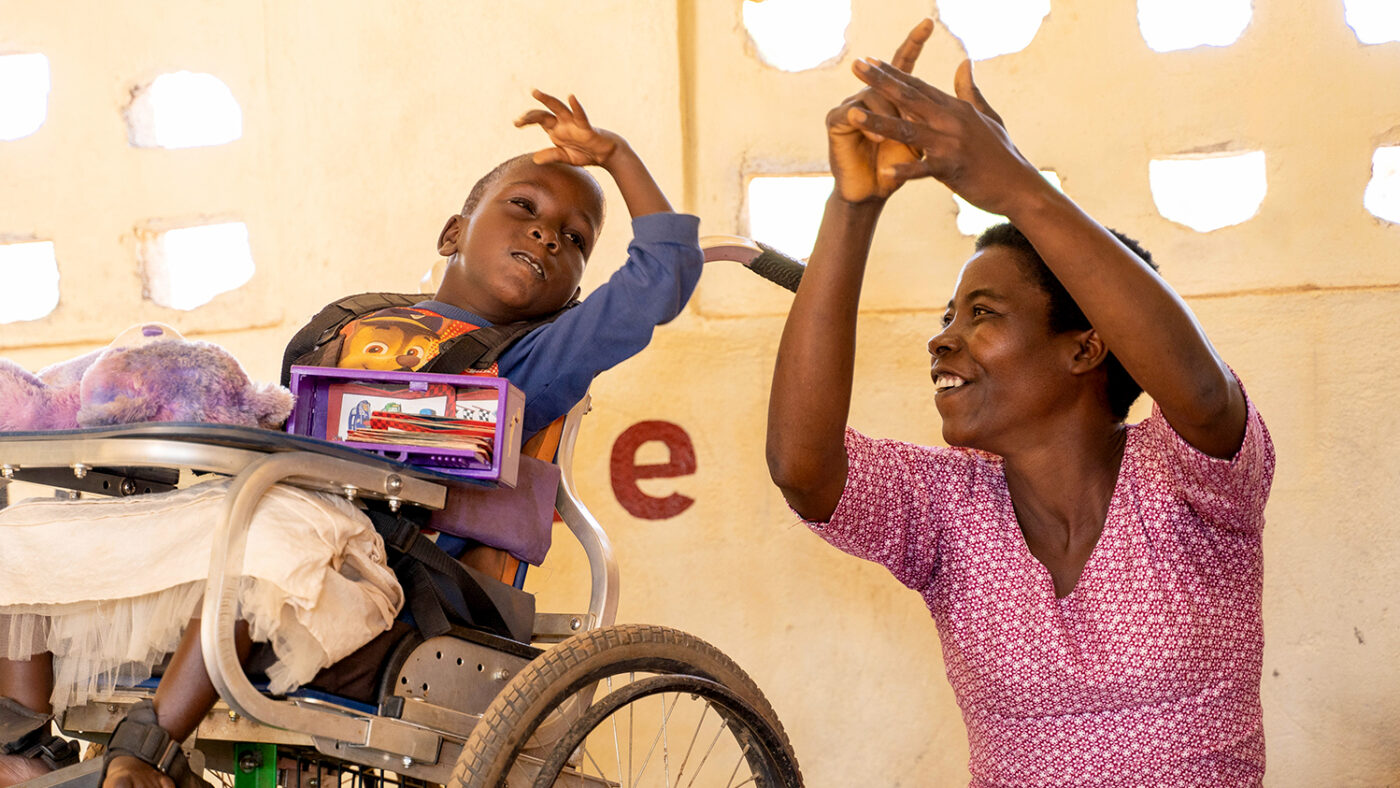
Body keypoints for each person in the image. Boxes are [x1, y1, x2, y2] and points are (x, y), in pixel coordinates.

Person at [0, 89, 702, 788]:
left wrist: (613, 155)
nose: (549, 233)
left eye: (574, 238)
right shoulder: (343, 322)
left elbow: (660, 276)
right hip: (272, 514)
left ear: (576, 294)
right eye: (525, 207)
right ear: (453, 233)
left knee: (268, 528)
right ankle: (32, 750)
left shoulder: (536, 358)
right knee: (32, 526)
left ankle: (145, 755)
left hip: (392, 574)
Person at [766, 19, 1275, 786]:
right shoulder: (950, 512)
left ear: (1085, 345)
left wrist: (1015, 187)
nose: (942, 341)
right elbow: (804, 468)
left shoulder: (1189, 481)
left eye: (981, 314)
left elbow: (1201, 391)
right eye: (947, 316)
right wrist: (853, 204)